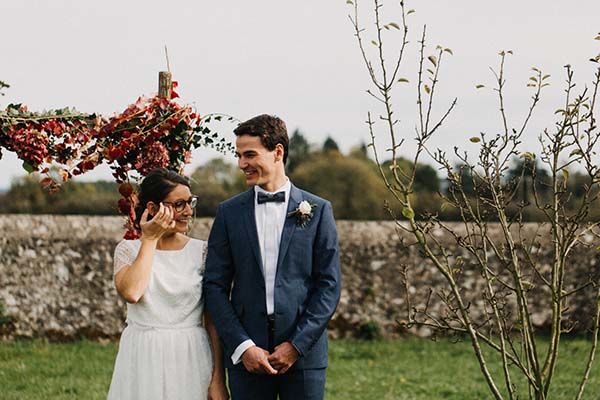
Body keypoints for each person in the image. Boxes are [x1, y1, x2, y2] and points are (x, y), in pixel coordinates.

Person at [203, 115, 342, 400]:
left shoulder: (319, 211)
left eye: (250, 154)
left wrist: (296, 345)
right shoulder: (229, 213)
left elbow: (329, 286)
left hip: (304, 357)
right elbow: (214, 286)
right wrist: (243, 346)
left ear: (278, 152)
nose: (242, 163)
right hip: (247, 358)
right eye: (239, 155)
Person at [107, 168, 228, 400]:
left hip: (191, 354)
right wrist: (150, 239)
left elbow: (212, 320)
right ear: (153, 208)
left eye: (190, 202)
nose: (189, 211)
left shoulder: (201, 251)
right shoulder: (128, 250)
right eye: (179, 204)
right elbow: (132, 292)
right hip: (143, 354)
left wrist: (218, 378)